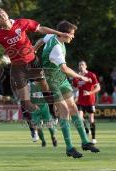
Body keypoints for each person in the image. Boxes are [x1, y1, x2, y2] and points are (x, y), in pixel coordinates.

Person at [0, 8, 72, 118]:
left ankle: (52, 110)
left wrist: (59, 33)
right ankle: (33, 123)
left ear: (7, 14)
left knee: (45, 87)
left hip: (32, 61)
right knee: (25, 100)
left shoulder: (21, 22)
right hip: (17, 67)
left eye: (3, 14)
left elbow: (40, 28)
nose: (2, 16)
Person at [36, 20, 100, 158]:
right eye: (71, 34)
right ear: (64, 34)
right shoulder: (57, 48)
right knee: (64, 110)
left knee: (73, 107)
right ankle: (69, 147)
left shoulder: (52, 37)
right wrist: (80, 77)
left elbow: (42, 39)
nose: (73, 36)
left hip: (61, 79)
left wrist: (35, 49)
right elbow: (64, 68)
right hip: (51, 81)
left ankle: (85, 142)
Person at [73, 61, 101, 144]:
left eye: (82, 65)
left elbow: (98, 87)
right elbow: (75, 88)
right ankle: (86, 130)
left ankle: (93, 138)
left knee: (91, 120)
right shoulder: (76, 77)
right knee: (79, 119)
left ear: (86, 66)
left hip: (90, 101)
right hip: (80, 101)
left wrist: (90, 93)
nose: (81, 66)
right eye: (79, 65)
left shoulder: (91, 75)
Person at [29, 81, 57, 147]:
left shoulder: (45, 84)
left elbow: (51, 95)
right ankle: (43, 141)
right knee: (38, 127)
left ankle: (53, 136)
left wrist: (54, 105)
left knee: (49, 126)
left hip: (44, 108)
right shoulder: (30, 86)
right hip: (35, 109)